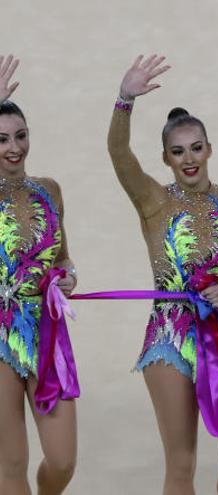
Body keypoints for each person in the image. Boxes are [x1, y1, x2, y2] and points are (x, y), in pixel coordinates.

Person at [108, 54, 218, 495]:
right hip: (168, 338)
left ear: (209, 148)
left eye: (196, 148)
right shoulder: (153, 202)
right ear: (165, 158)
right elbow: (119, 154)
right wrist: (125, 99)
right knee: (181, 466)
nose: (189, 159)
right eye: (178, 151)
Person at [0, 54, 79, 495]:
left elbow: (63, 257)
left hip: (47, 332)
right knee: (10, 465)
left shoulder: (49, 190)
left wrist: (67, 277)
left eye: (20, 136)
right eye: (2, 139)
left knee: (63, 461)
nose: (14, 147)